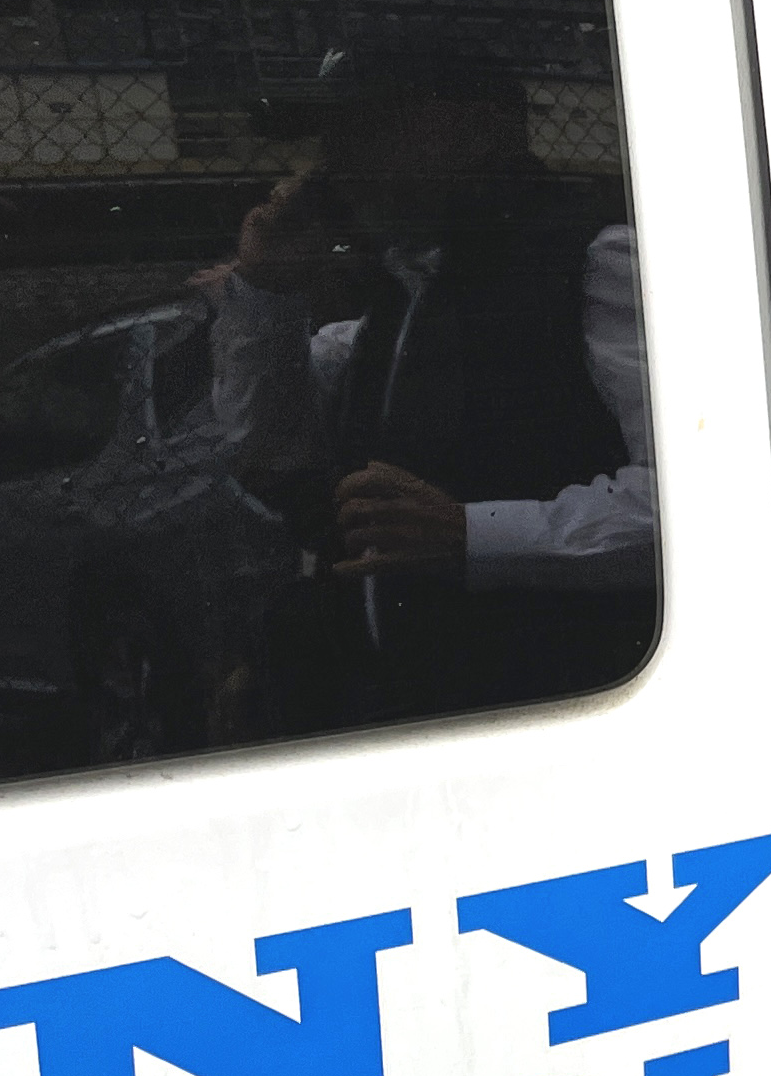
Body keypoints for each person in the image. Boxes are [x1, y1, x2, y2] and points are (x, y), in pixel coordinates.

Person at [208, 45, 653, 725]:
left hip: (567, 707)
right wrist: (266, 290)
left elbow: (705, 499)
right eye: (330, 137)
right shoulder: (400, 298)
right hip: (407, 712)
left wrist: (477, 536)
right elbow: (268, 449)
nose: (336, 162)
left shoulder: (594, 261)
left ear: (479, 130)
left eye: (371, 130)